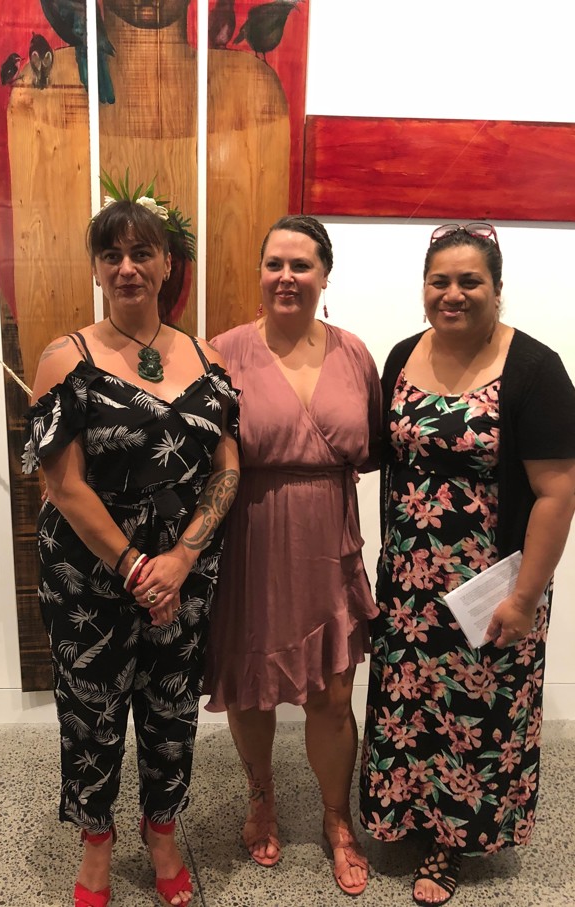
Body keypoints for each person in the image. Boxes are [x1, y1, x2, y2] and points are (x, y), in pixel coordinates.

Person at [22, 198, 239, 907]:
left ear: (167, 264)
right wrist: (137, 568)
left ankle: (162, 829)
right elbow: (65, 484)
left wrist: (180, 559)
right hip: (90, 574)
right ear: (95, 267)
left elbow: (227, 468)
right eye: (111, 255)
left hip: (186, 573)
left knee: (171, 707)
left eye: (142, 252)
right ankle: (95, 842)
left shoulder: (206, 358)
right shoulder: (67, 359)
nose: (126, 267)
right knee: (92, 709)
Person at [359, 223, 575, 905]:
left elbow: (557, 490)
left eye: (469, 281)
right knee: (411, 705)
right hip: (408, 584)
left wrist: (525, 596)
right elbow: (373, 451)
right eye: (439, 280)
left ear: (497, 289)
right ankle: (407, 813)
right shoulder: (401, 356)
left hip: (493, 583)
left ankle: (454, 841)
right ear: (424, 288)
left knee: (476, 715)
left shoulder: (535, 369)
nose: (452, 294)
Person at [203, 214, 382, 896]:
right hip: (251, 537)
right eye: (275, 262)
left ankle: (338, 818)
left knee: (333, 695)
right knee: (252, 687)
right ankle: (260, 796)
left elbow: (368, 451)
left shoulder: (354, 353)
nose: (287, 275)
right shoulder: (222, 352)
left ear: (324, 274)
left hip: (329, 541)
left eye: (301, 264)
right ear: (259, 271)